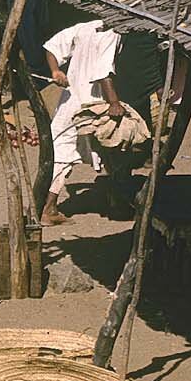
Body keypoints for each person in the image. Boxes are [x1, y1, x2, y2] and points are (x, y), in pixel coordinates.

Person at [39, 19, 128, 226]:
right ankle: (48, 207)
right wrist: (114, 103)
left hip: (71, 101)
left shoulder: (85, 27)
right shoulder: (111, 35)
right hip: (91, 103)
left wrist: (55, 70)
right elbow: (104, 73)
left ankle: (116, 199)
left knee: (101, 152)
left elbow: (53, 46)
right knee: (69, 152)